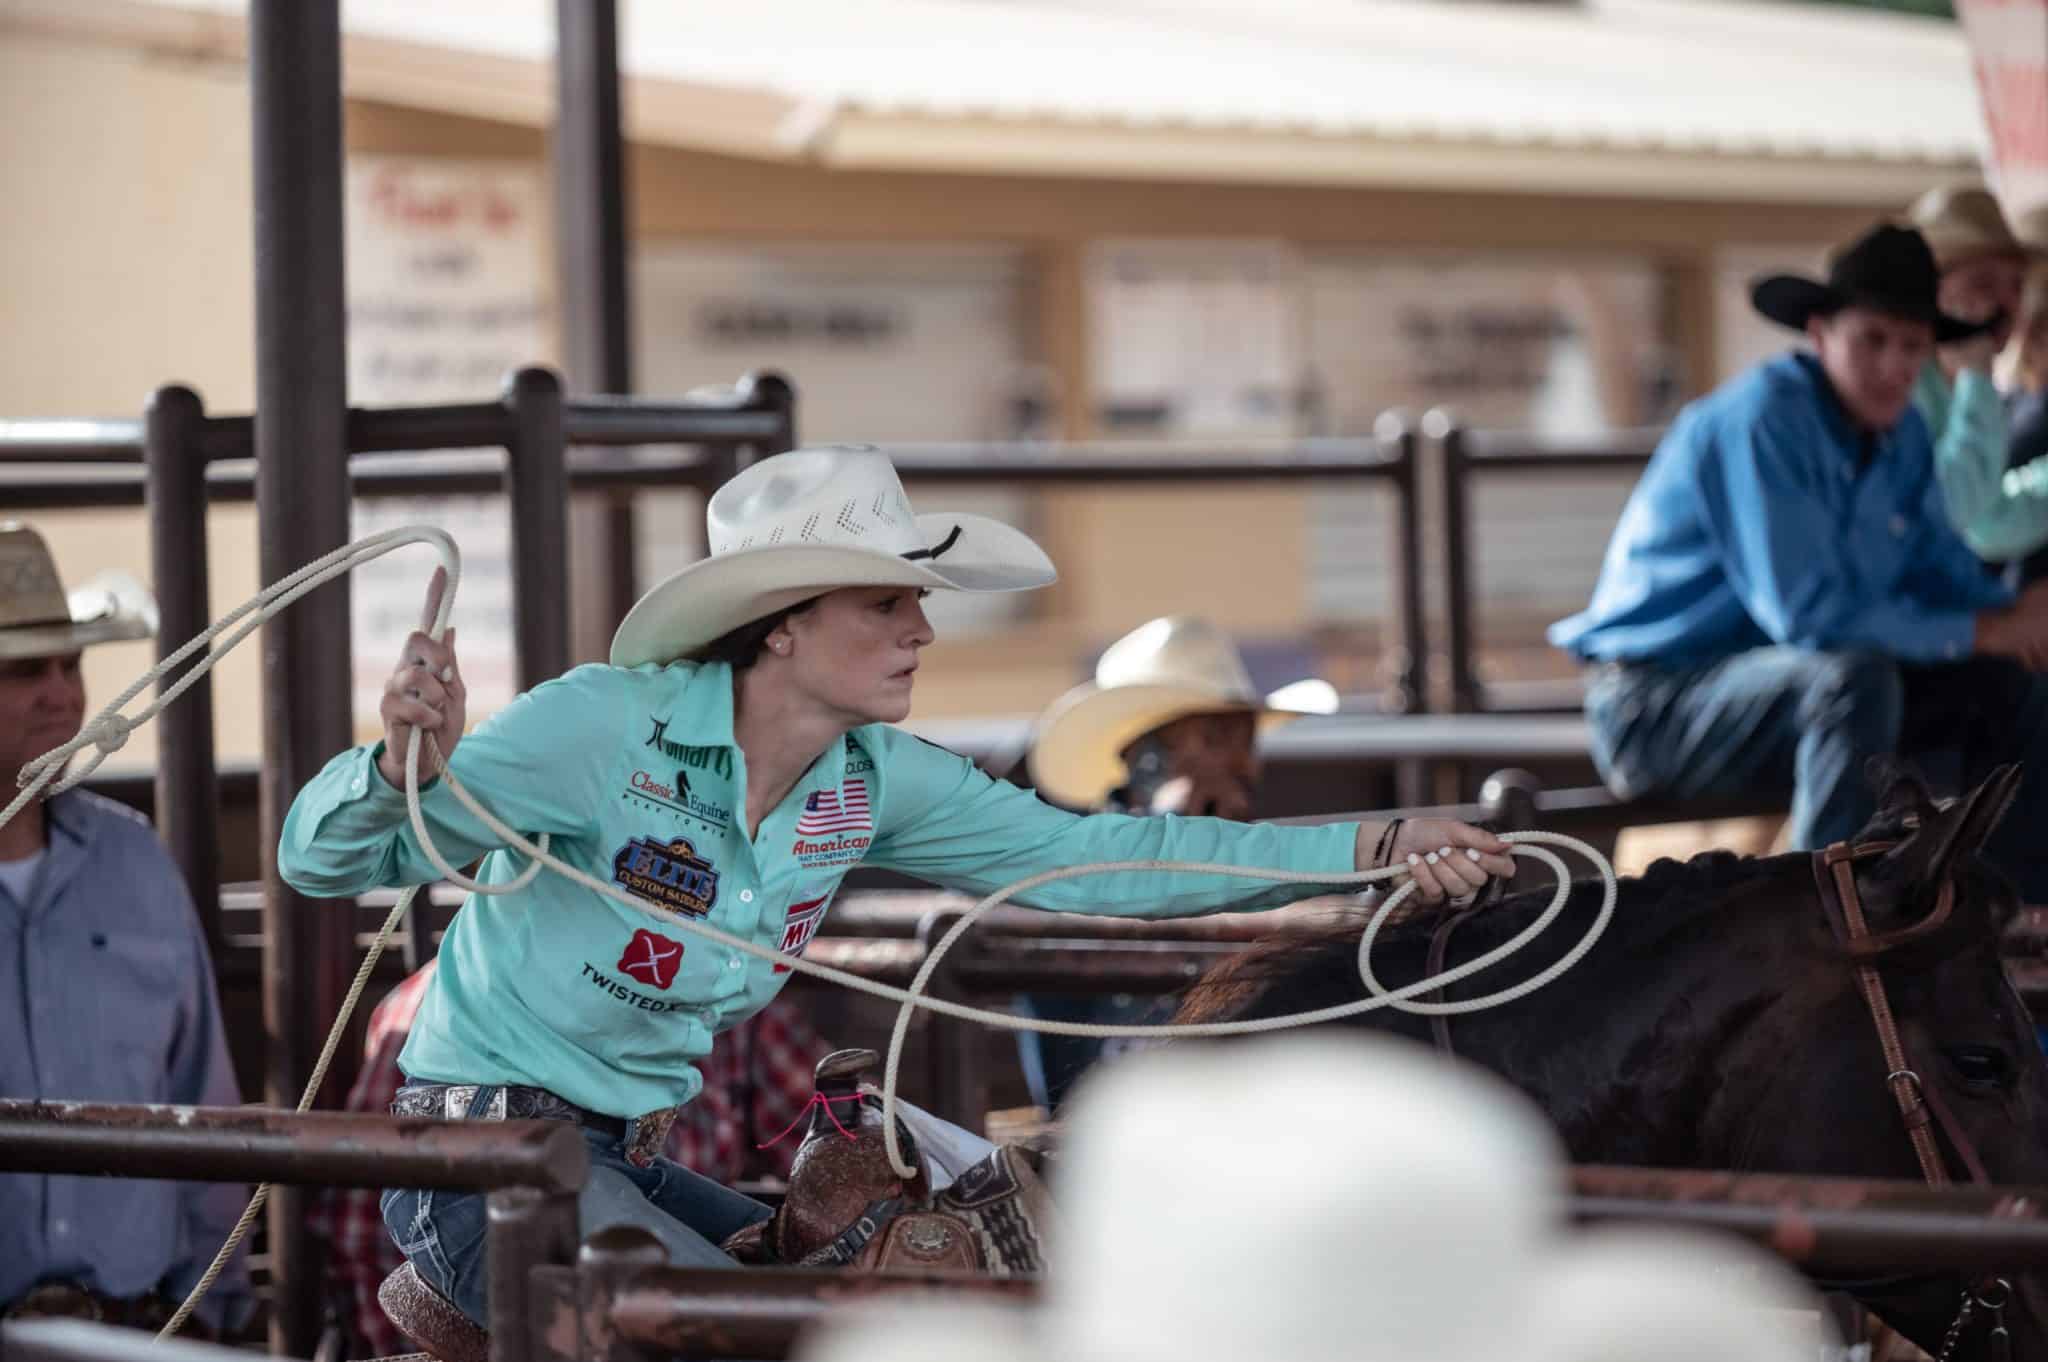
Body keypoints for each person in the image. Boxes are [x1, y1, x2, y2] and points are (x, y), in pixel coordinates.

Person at [277, 445, 1513, 1327]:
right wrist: (393, 765)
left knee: (856, 1319)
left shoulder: (871, 780)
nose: (921, 628)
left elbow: (1091, 863)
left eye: (917, 599)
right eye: (886, 600)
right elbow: (323, 858)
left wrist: (1376, 847)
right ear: (779, 624)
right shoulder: (597, 727)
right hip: (485, 1158)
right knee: (734, 1325)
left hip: (615, 1159)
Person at [1550, 224, 2048, 896]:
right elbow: (1810, 616)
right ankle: (1825, 928)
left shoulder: (1899, 435)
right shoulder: (1760, 421)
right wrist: (1991, 629)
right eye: (1873, 340)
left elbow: (1940, 570)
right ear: (1820, 335)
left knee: (2011, 687)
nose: (1894, 367)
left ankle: (2013, 912)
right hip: (1657, 706)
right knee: (1851, 679)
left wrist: (2016, 621)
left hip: (1793, 696)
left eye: (1912, 347)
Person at [309, 960, 827, 1357]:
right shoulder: (447, 1005)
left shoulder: (718, 993)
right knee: (763, 1329)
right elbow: (361, 1232)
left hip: (606, 1233)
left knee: (799, 1298)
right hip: (538, 1255)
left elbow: (817, 1128)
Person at [0, 523, 251, 1335]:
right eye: (23, 670)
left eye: (70, 664)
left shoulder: (134, 862)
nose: (64, 693)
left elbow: (203, 1107)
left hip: (141, 1329)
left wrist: (211, 1313)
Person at [1014, 614, 1337, 1109]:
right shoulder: (1078, 861)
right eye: (1213, 738)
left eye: (1244, 739)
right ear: (1145, 757)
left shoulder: (1263, 854)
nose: (1237, 762)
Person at [1906, 186, 2041, 562]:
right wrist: (1976, 378)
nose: (2008, 305)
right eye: (1982, 284)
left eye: (2017, 285)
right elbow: (1950, 512)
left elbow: (1990, 523)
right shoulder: (1898, 387)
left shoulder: (1955, 384)